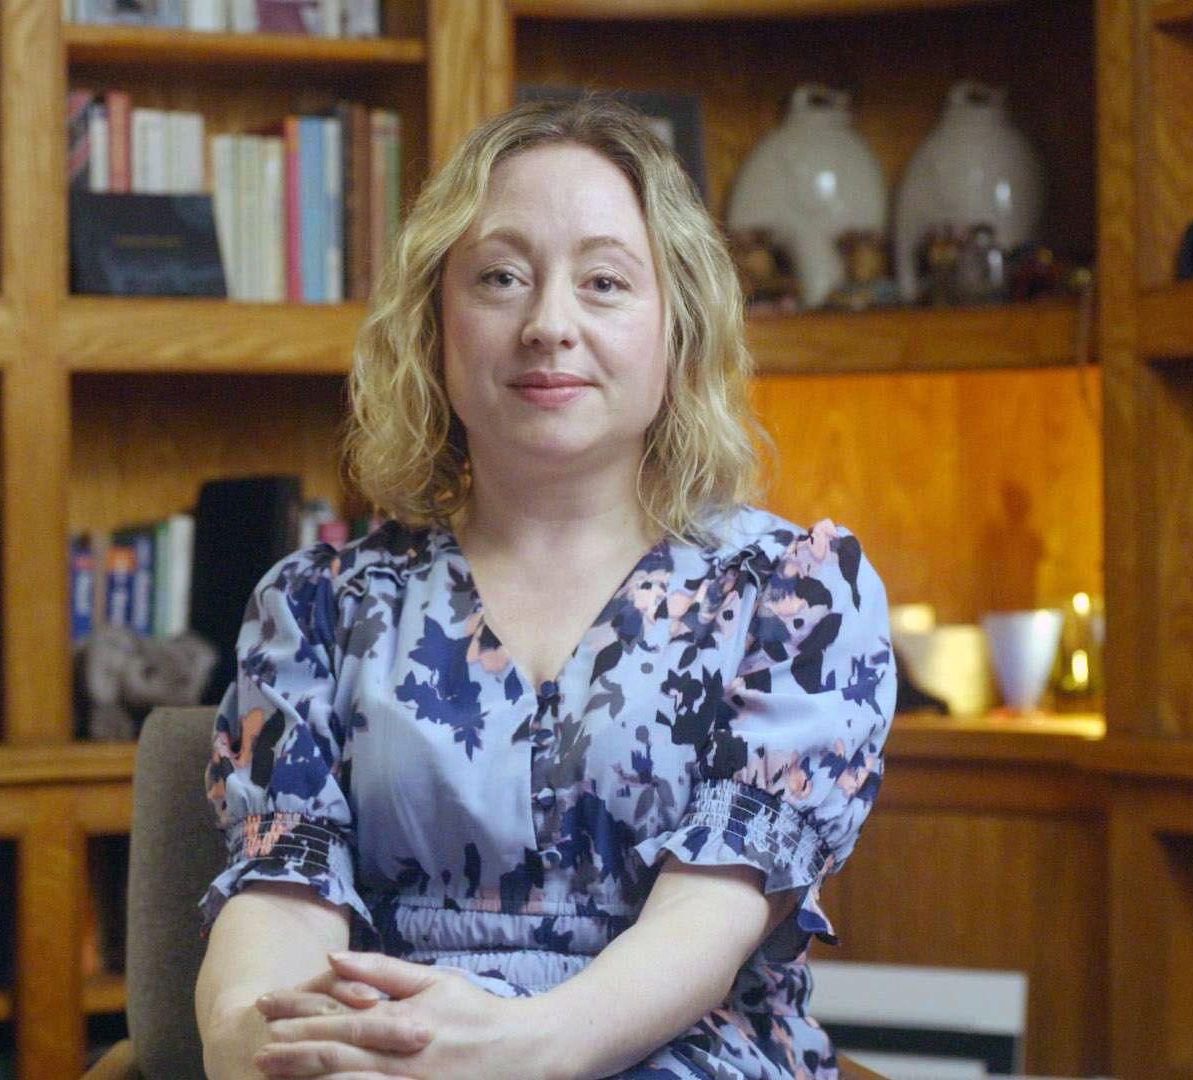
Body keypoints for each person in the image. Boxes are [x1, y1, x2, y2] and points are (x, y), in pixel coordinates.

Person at [194, 95, 896, 1079]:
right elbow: (278, 893)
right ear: (435, 325)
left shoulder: (797, 596)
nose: (548, 325)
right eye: (500, 278)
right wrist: (247, 1046)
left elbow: (714, 915)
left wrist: (523, 1049)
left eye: (605, 282)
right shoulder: (313, 606)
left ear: (676, 329)